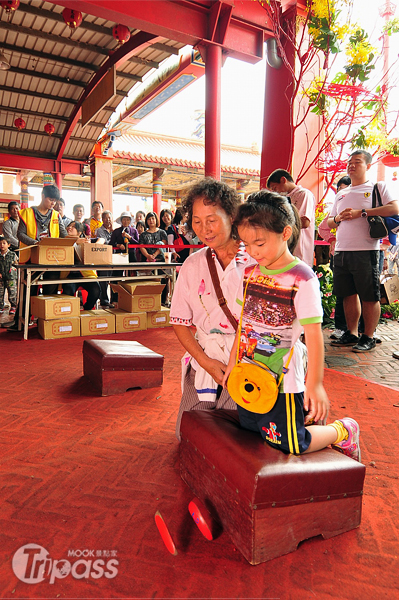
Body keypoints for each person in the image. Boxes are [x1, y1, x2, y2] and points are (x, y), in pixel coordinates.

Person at [221, 190, 360, 461]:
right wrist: (231, 363)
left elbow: (314, 334)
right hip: (248, 370)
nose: (252, 252)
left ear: (285, 233)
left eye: (259, 243)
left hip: (283, 377)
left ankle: (343, 431)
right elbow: (244, 324)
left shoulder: (302, 278)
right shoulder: (249, 273)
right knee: (253, 427)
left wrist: (315, 384)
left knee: (291, 442)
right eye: (246, 245)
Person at [170, 178, 255, 441]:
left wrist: (234, 362)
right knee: (188, 434)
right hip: (207, 354)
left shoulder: (255, 259)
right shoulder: (192, 265)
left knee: (230, 436)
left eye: (212, 219)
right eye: (197, 221)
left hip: (249, 358)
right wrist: (206, 363)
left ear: (231, 215)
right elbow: (180, 322)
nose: (204, 229)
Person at [327, 150, 399, 352]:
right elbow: (330, 221)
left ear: (367, 166)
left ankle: (368, 336)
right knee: (347, 294)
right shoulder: (341, 193)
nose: (351, 165)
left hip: (366, 249)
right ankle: (351, 333)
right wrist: (339, 218)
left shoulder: (377, 187)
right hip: (342, 250)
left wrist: (363, 212)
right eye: (349, 162)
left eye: (357, 162)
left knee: (369, 296)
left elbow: (394, 208)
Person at [318, 175, 351, 339]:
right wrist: (332, 239)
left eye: (344, 189)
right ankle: (341, 328)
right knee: (341, 293)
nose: (341, 193)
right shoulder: (335, 212)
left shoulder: (361, 209)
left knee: (362, 295)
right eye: (339, 189)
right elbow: (322, 228)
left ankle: (363, 330)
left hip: (360, 255)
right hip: (338, 255)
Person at [267, 169, 316, 268]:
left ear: (283, 180)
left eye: (275, 188)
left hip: (300, 247)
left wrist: (278, 225)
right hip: (287, 247)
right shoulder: (284, 198)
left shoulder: (304, 194)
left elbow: (305, 222)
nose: (276, 192)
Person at [61, 226, 101, 311]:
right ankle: (70, 312)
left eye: (73, 226)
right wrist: (74, 241)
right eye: (69, 226)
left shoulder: (86, 241)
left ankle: (87, 309)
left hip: (86, 275)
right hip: (69, 275)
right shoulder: (64, 242)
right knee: (68, 291)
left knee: (96, 290)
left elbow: (101, 239)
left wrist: (94, 244)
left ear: (79, 233)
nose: (70, 228)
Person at [95, 211, 117, 308]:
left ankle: (115, 300)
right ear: (102, 219)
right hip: (103, 258)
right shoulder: (99, 230)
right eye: (105, 218)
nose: (108, 220)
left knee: (114, 279)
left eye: (109, 218)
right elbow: (106, 243)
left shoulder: (116, 230)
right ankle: (104, 300)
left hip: (115, 258)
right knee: (103, 279)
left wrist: (113, 231)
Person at [0, 236, 18, 316]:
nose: (2, 245)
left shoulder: (12, 254)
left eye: (4, 243)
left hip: (11, 278)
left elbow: (17, 263)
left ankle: (13, 306)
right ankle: (1, 306)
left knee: (12, 292)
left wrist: (13, 269)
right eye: (0, 243)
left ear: (9, 245)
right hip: (1, 278)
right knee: (0, 293)